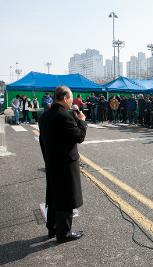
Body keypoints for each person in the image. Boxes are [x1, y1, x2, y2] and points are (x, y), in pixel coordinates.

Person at [39, 86, 87, 243]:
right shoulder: (64, 116)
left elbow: (42, 140)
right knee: (66, 198)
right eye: (71, 98)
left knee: (54, 196)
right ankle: (64, 233)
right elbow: (78, 137)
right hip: (65, 163)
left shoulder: (45, 115)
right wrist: (81, 121)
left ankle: (52, 228)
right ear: (65, 98)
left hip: (52, 161)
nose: (72, 101)